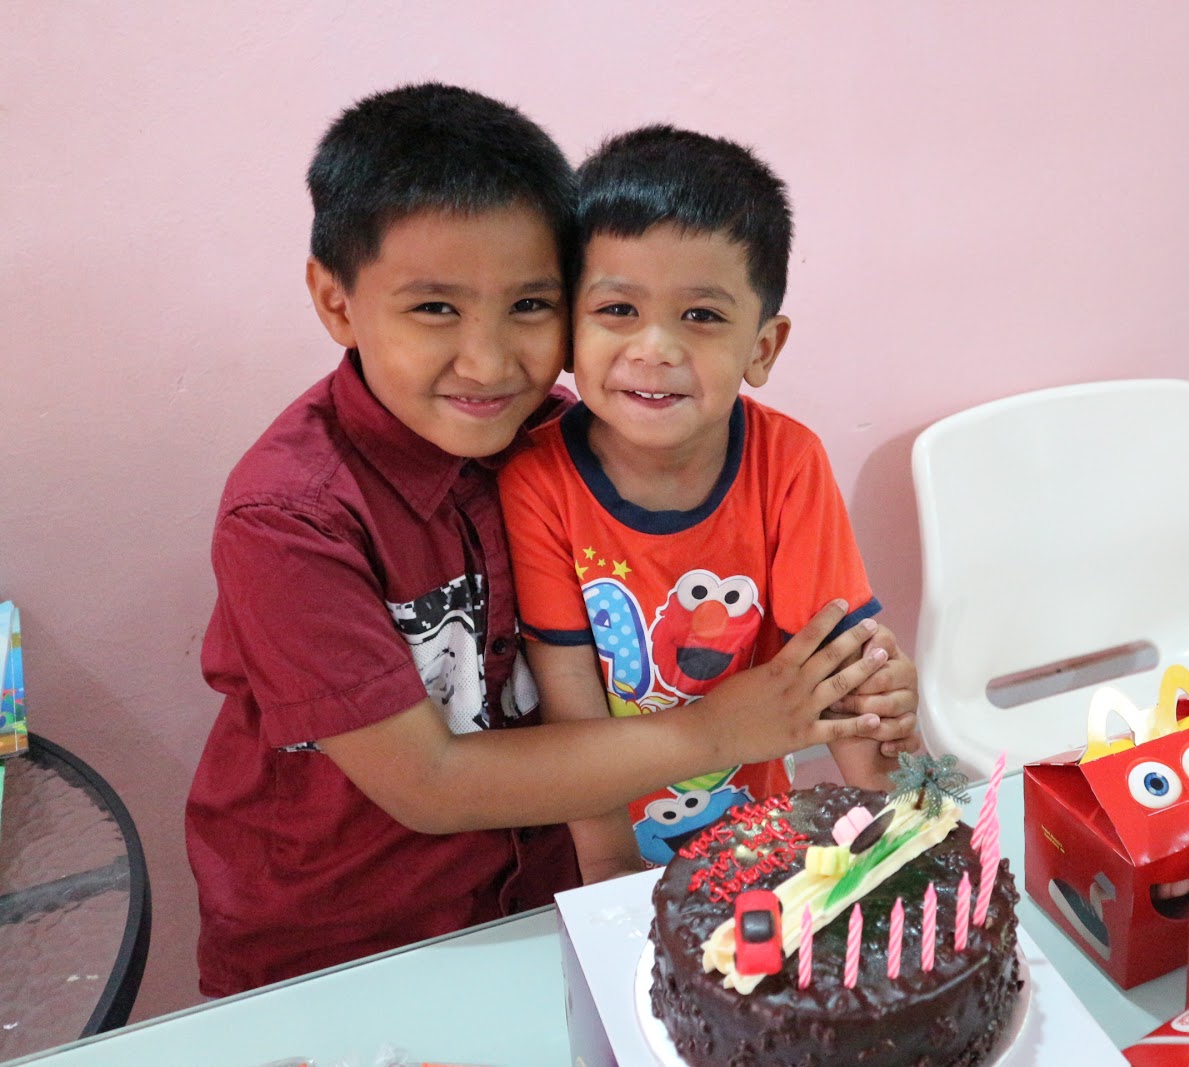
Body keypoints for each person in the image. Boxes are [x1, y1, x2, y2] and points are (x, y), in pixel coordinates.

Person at [185, 86, 915, 997]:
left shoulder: (573, 437)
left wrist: (865, 692)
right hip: (349, 945)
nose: (490, 361)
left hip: (554, 899)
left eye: (529, 303)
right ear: (337, 302)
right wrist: (717, 729)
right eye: (435, 308)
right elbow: (429, 782)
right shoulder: (289, 519)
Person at [498, 125, 921, 881]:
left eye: (701, 316)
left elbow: (847, 683)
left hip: (759, 844)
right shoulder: (537, 482)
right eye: (617, 309)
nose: (654, 348)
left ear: (762, 348)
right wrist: (612, 885)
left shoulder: (787, 464)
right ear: (567, 329)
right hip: (610, 855)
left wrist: (912, 841)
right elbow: (573, 717)